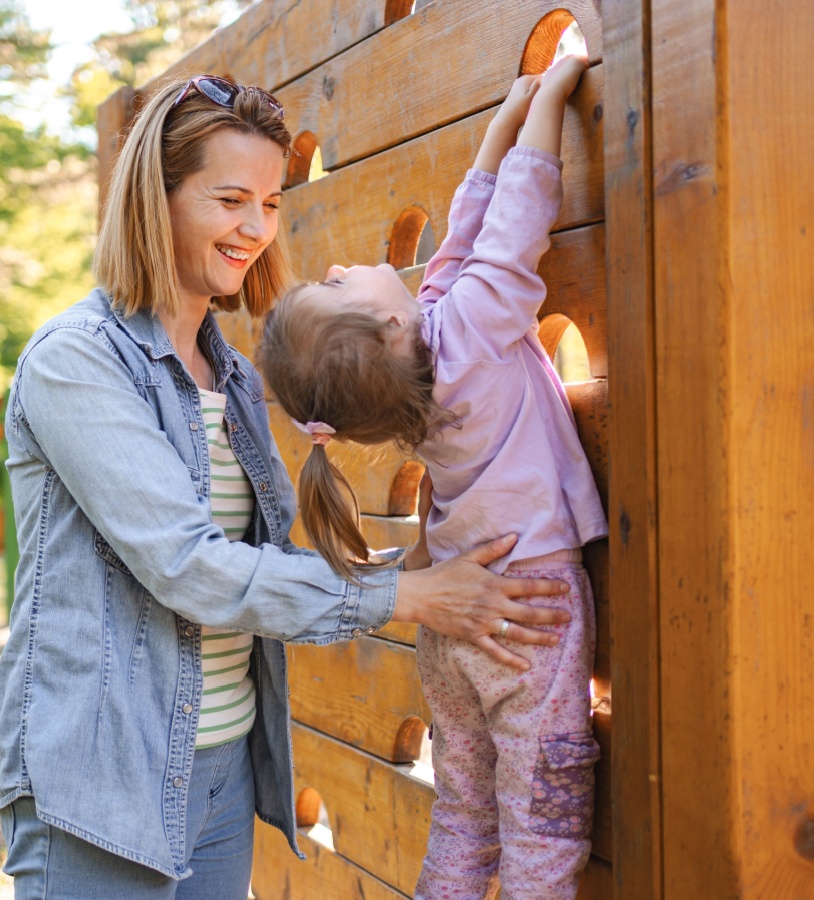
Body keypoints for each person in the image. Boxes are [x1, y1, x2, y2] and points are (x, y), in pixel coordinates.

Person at [0, 73, 575, 899]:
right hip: (105, 779)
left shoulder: (231, 374)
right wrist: (412, 597)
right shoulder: (76, 361)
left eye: (268, 203)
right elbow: (190, 569)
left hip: (225, 767)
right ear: (156, 202)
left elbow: (266, 564)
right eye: (231, 199)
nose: (256, 229)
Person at [258, 57, 605, 899]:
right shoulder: (474, 332)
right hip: (527, 616)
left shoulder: (427, 360)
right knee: (541, 824)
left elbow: (458, 252)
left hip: (449, 632)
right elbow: (516, 230)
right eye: (330, 285)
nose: (337, 268)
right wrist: (552, 99)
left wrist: (495, 133)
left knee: (464, 816)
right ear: (387, 319)